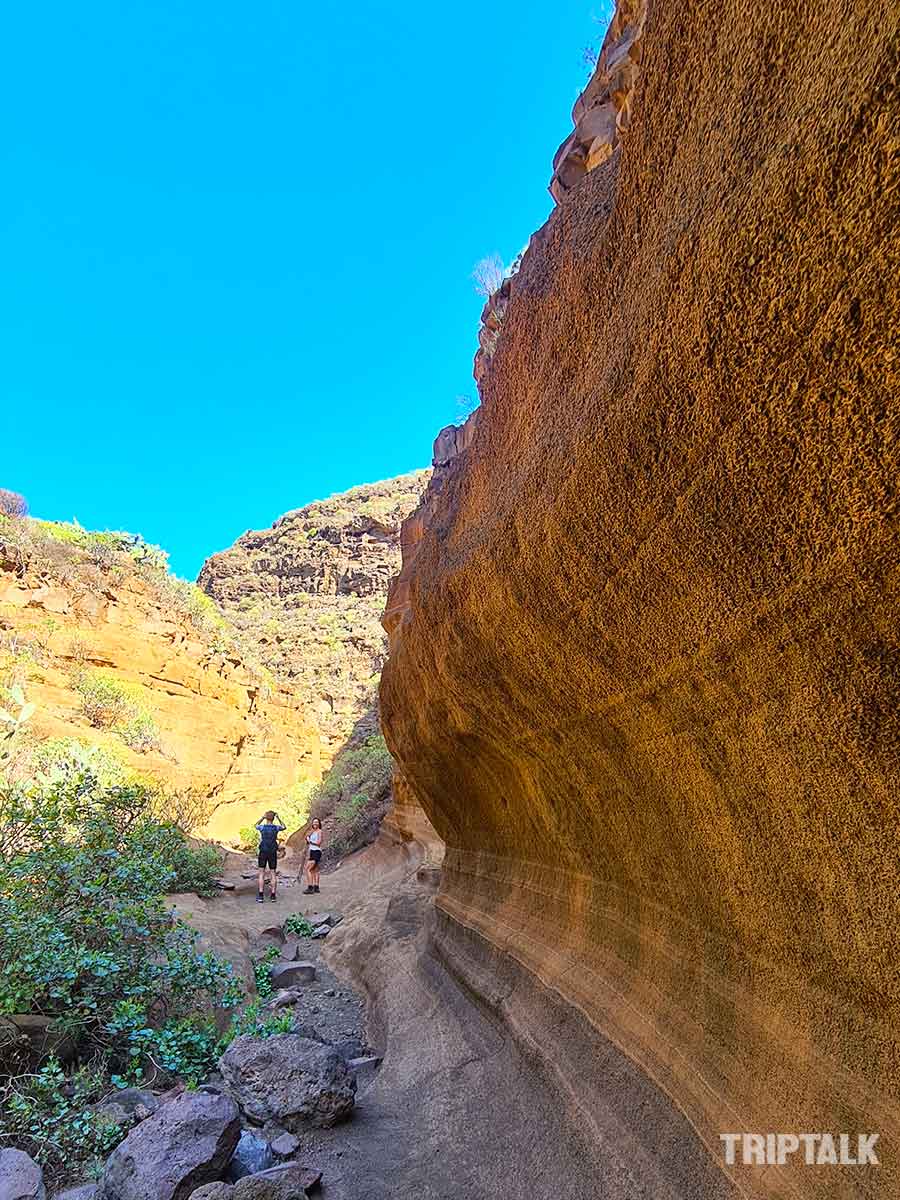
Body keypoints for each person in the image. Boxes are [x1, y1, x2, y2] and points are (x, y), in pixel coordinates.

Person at [255, 810, 285, 903]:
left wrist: (262, 817)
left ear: (266, 817)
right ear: (273, 818)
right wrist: (278, 818)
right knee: (273, 873)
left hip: (263, 851)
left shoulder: (262, 827)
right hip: (272, 852)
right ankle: (273, 896)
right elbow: (284, 827)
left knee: (261, 873)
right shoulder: (276, 827)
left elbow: (255, 825)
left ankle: (260, 895)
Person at [303, 818, 323, 894]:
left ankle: (310, 887)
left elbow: (319, 843)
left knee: (308, 869)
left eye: (316, 822)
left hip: (316, 851)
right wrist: (308, 839)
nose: (315, 823)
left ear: (319, 824)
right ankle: (316, 887)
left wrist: (310, 841)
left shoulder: (319, 831)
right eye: (314, 822)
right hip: (313, 851)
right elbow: (307, 839)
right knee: (315, 870)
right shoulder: (313, 832)